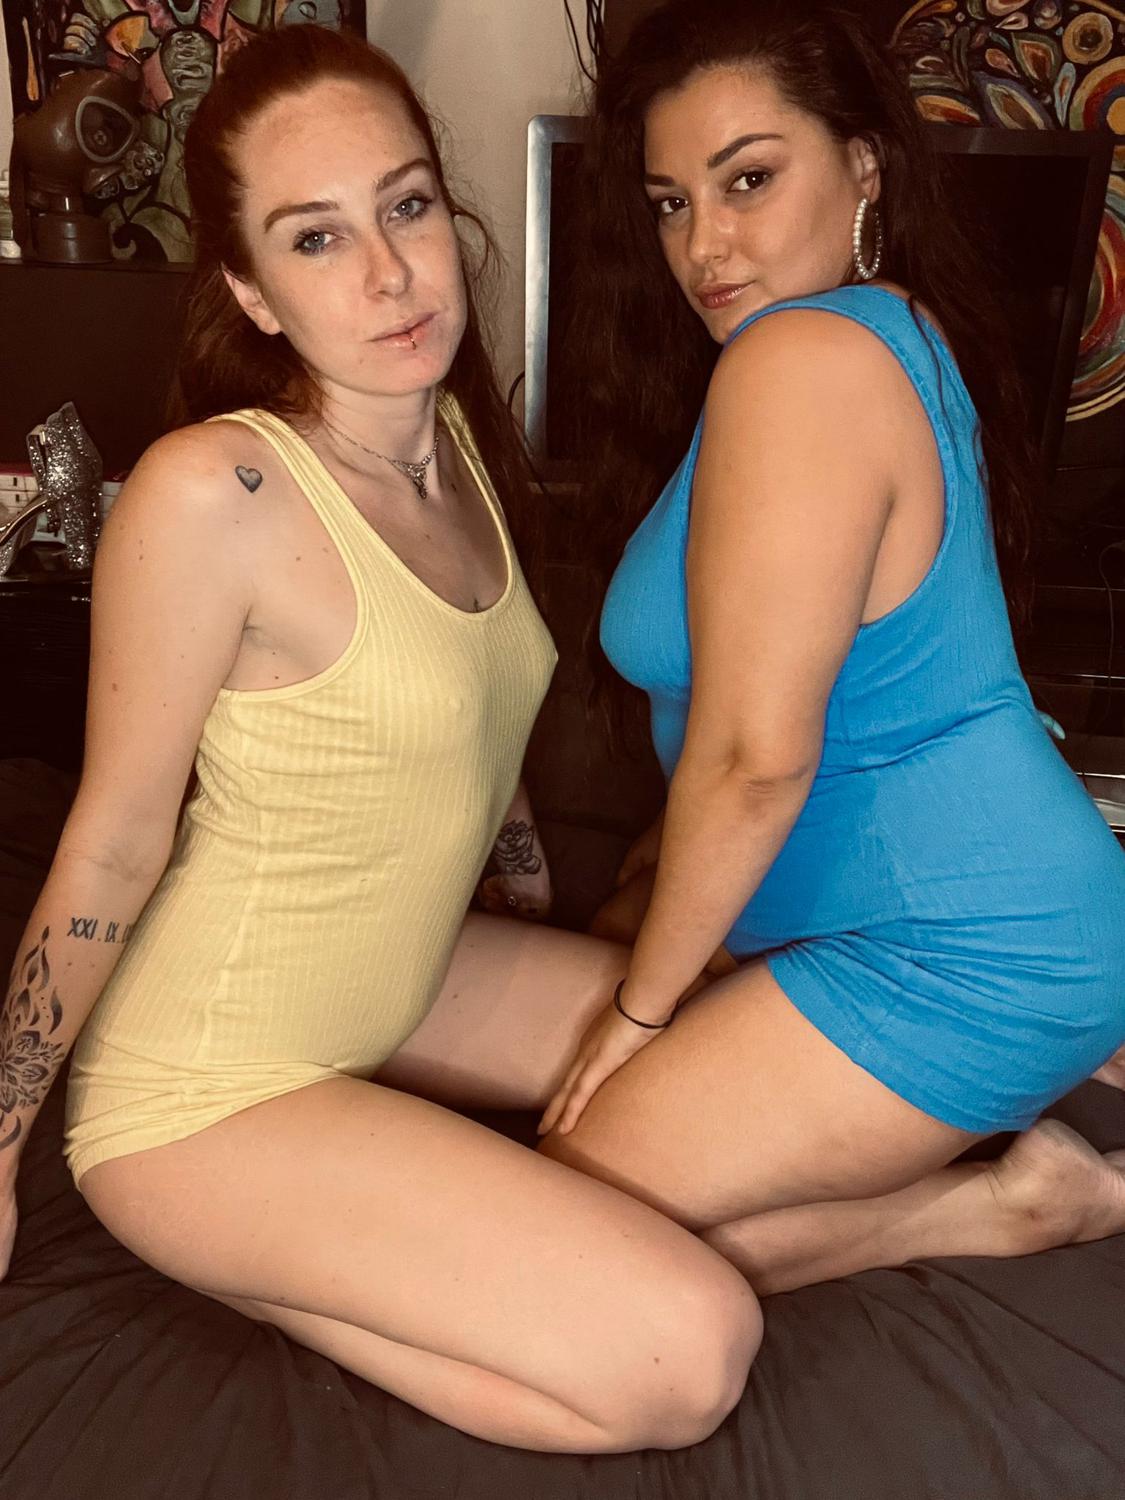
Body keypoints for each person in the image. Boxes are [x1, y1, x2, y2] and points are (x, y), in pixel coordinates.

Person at [0, 25, 760, 1455]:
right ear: (250, 290)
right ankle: (273, 1263)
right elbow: (110, 842)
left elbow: (470, 714)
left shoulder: (455, 444)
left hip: (402, 979)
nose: (390, 274)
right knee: (690, 1352)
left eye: (405, 206)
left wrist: (523, 880)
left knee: (745, 1068)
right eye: (315, 237)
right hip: (202, 1083)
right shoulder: (211, 491)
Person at [529, 0, 1125, 1289]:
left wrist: (638, 1016)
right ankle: (1025, 1179)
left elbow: (757, 758)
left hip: (968, 953)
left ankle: (1006, 1208)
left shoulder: (801, 361)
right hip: (897, 921)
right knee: (591, 1220)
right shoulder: (874, 332)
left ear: (864, 164)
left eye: (748, 179)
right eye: (672, 202)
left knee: (570, 1239)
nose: (705, 244)